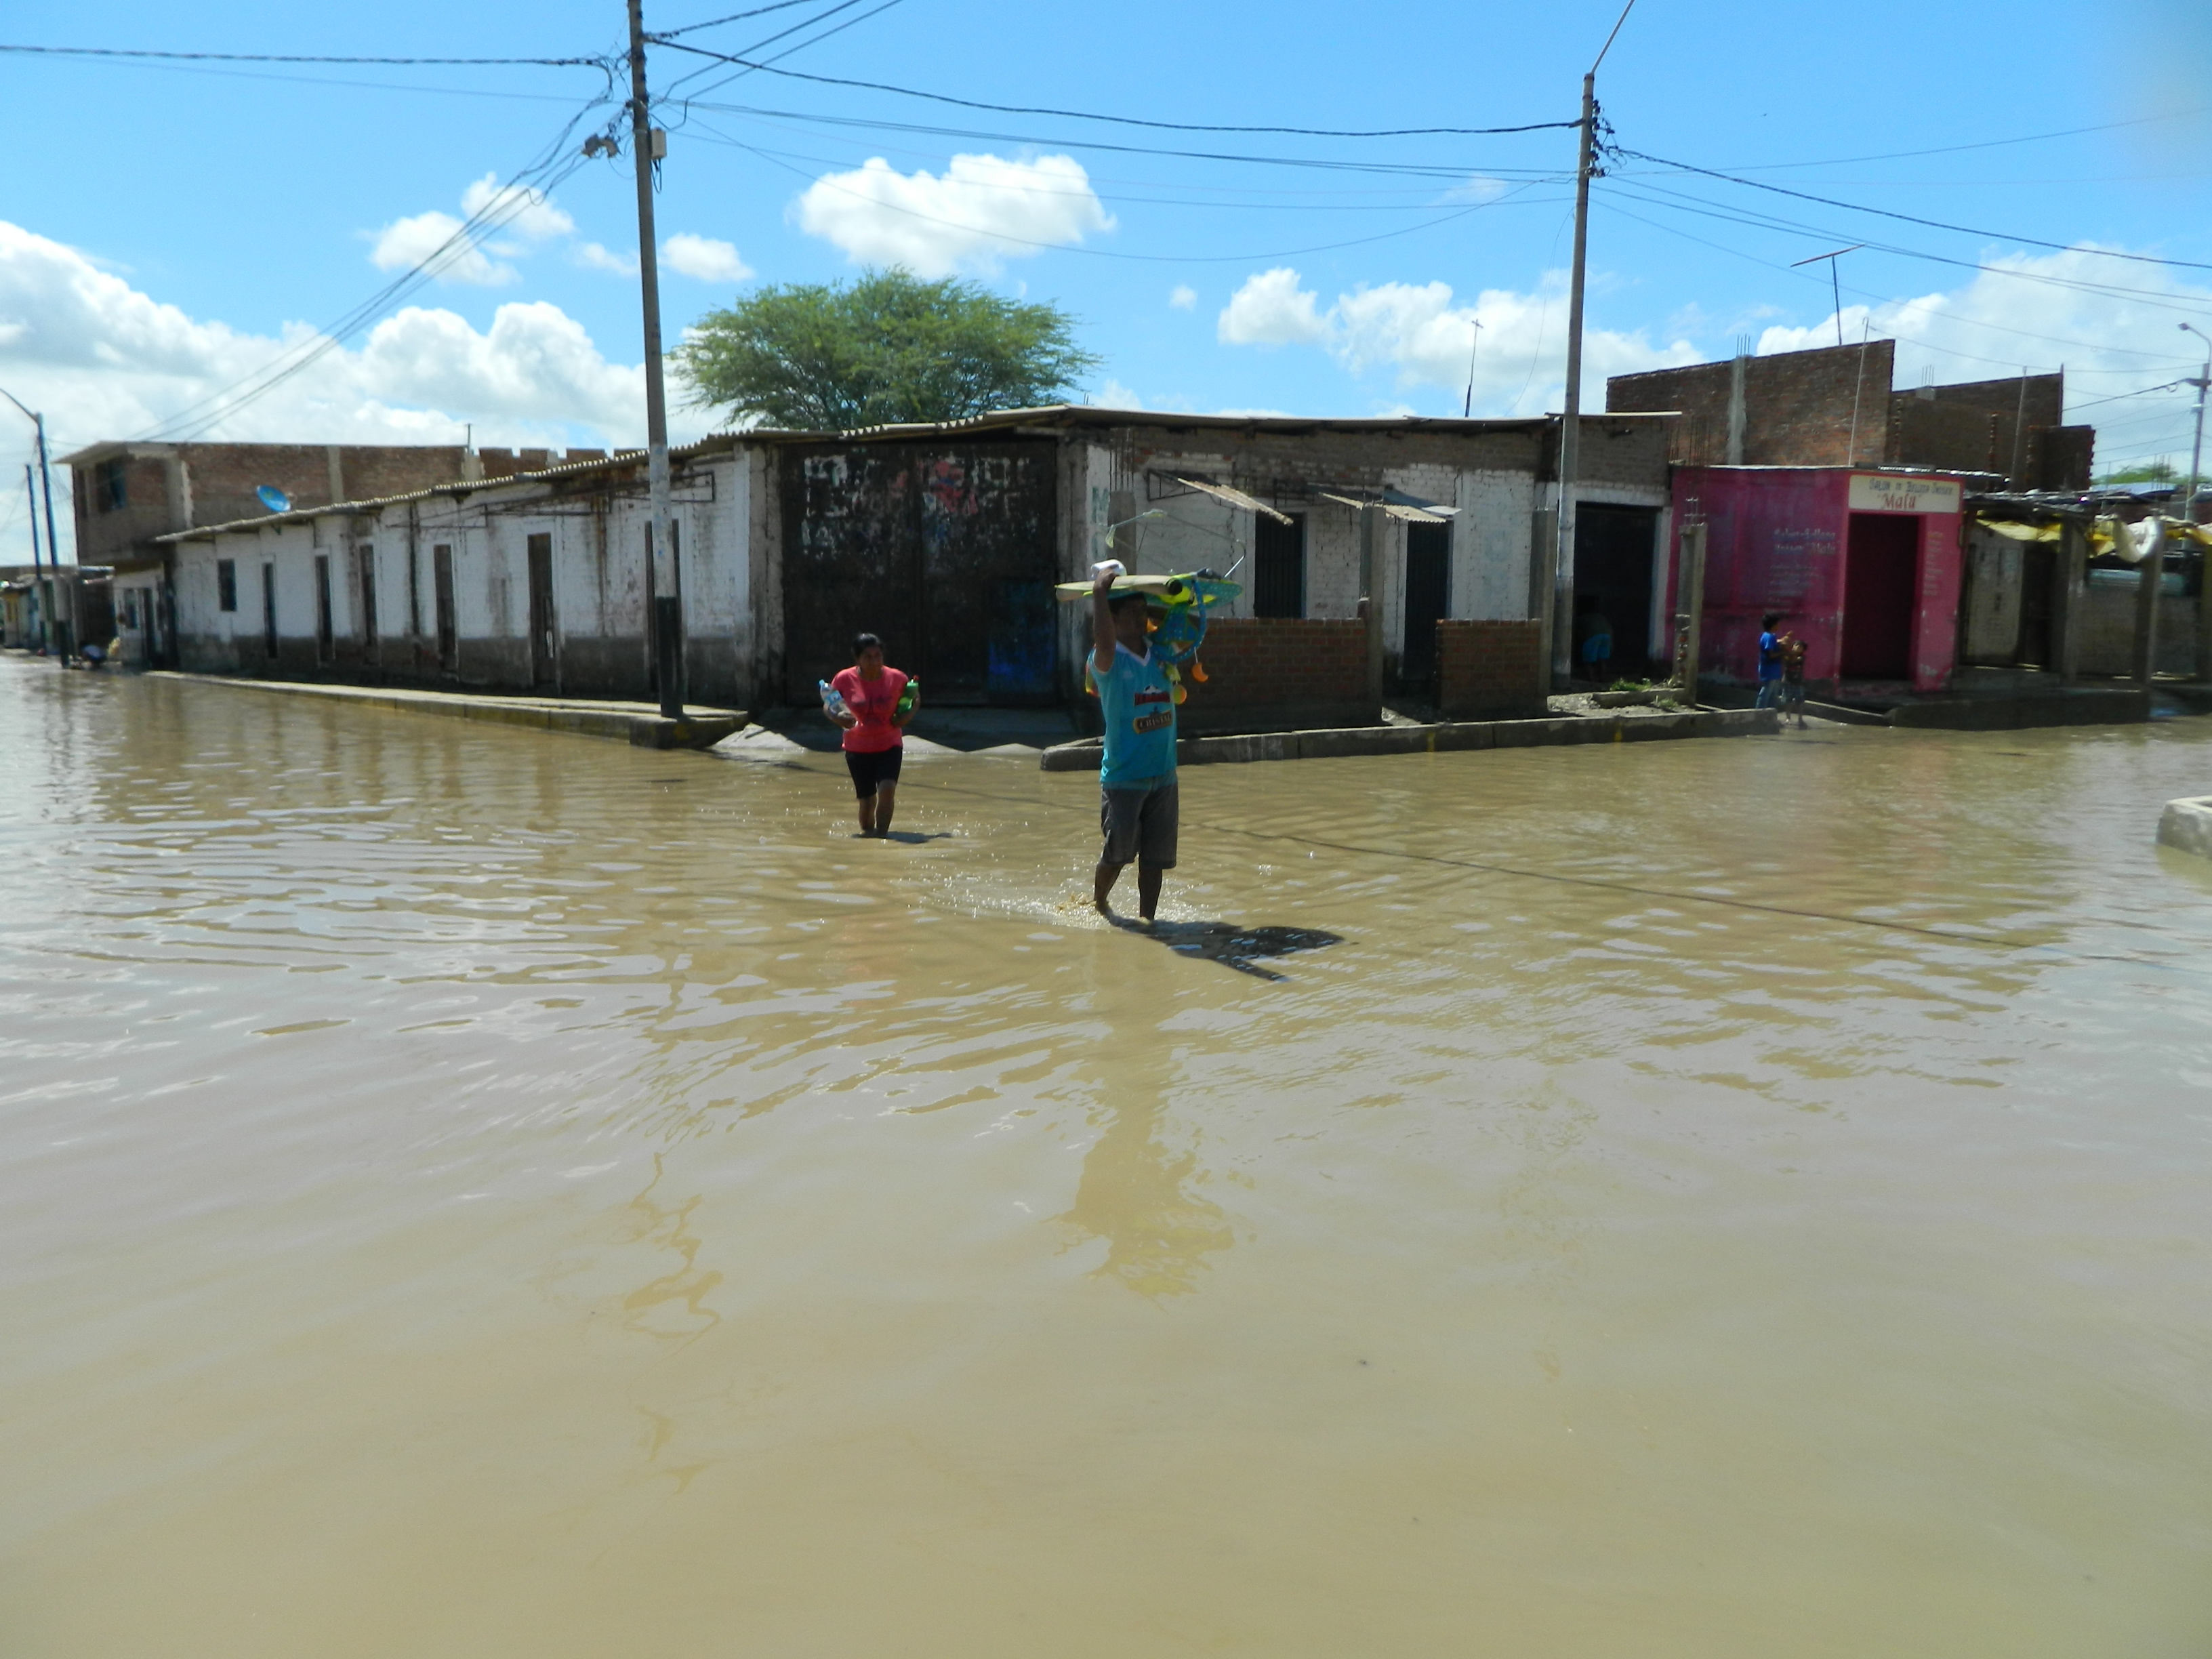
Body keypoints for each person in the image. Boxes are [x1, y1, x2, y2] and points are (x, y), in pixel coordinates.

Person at [1090, 565, 1179, 923]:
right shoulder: (1106, 660)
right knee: (1118, 853)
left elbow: (1185, 624)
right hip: (1124, 776)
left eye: (1144, 611)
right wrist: (1100, 593)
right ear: (1112, 619)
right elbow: (1105, 642)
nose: (1141, 617)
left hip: (1164, 774)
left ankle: (1148, 922)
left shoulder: (1162, 652)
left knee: (1155, 860)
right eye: (1131, 612)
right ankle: (1099, 903)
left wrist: (1154, 598)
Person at [829, 632, 916, 836]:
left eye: (878, 656)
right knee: (867, 802)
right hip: (857, 748)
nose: (874, 661)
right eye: (868, 657)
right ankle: (869, 838)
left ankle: (883, 837)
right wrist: (837, 717)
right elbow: (829, 704)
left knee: (887, 790)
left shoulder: (897, 678)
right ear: (857, 659)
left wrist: (907, 716)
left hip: (889, 744)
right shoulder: (844, 679)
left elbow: (914, 699)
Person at [1574, 596, 1614, 683]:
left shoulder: (1583, 618)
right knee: (1602, 660)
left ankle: (1592, 680)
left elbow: (1577, 630)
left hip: (1593, 636)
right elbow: (1609, 627)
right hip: (1607, 636)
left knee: (1589, 661)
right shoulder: (1600, 617)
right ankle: (1602, 678)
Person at [1754, 612, 1786, 710]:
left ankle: (1771, 712)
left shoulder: (1768, 635)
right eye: (1777, 623)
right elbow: (1771, 654)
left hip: (1773, 669)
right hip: (1770, 669)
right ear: (1773, 625)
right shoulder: (1770, 637)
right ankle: (1760, 711)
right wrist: (1783, 653)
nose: (1779, 625)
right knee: (1767, 692)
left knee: (1773, 693)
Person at [1779, 630, 1809, 727]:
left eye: (1800, 647)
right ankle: (1788, 718)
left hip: (1798, 682)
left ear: (1803, 650)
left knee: (1800, 701)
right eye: (1796, 645)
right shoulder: (1787, 655)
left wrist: (1787, 646)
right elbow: (1786, 659)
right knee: (1787, 701)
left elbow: (1794, 660)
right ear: (1793, 646)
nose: (1798, 648)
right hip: (1787, 681)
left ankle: (1800, 719)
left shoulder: (1802, 658)